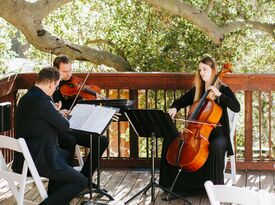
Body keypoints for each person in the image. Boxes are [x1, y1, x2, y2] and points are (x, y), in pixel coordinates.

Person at [159, 56, 240, 196]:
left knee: (215, 146)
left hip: (218, 134)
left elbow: (236, 107)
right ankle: (169, 184)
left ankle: (216, 190)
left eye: (205, 69)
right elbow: (180, 101)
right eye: (200, 69)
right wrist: (174, 108)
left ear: (213, 70)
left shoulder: (224, 89)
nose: (201, 72)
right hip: (196, 133)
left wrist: (219, 94)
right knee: (169, 139)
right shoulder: (198, 90)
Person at [12, 67, 87, 205]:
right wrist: (57, 113)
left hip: (23, 158)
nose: (55, 89)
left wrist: (53, 111)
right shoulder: (43, 101)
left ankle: (55, 197)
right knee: (81, 181)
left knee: (64, 155)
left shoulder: (25, 98)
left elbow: (38, 120)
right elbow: (64, 126)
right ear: (51, 84)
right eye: (56, 86)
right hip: (39, 159)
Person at [52, 55, 109, 187]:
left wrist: (95, 97)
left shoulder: (75, 84)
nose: (69, 74)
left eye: (70, 70)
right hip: (60, 129)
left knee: (102, 140)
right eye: (64, 71)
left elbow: (83, 99)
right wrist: (59, 112)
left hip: (76, 126)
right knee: (69, 140)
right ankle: (69, 181)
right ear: (56, 70)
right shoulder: (51, 86)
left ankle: (84, 178)